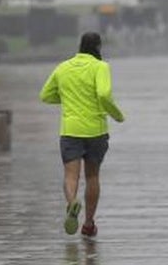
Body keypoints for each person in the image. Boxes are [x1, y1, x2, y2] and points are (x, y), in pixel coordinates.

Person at [40, 32, 126, 237]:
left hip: (71, 130)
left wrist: (69, 101)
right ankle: (88, 224)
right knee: (92, 176)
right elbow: (104, 94)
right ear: (98, 47)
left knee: (71, 175)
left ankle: (72, 203)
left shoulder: (63, 67)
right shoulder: (100, 67)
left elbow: (45, 95)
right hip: (96, 130)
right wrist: (117, 115)